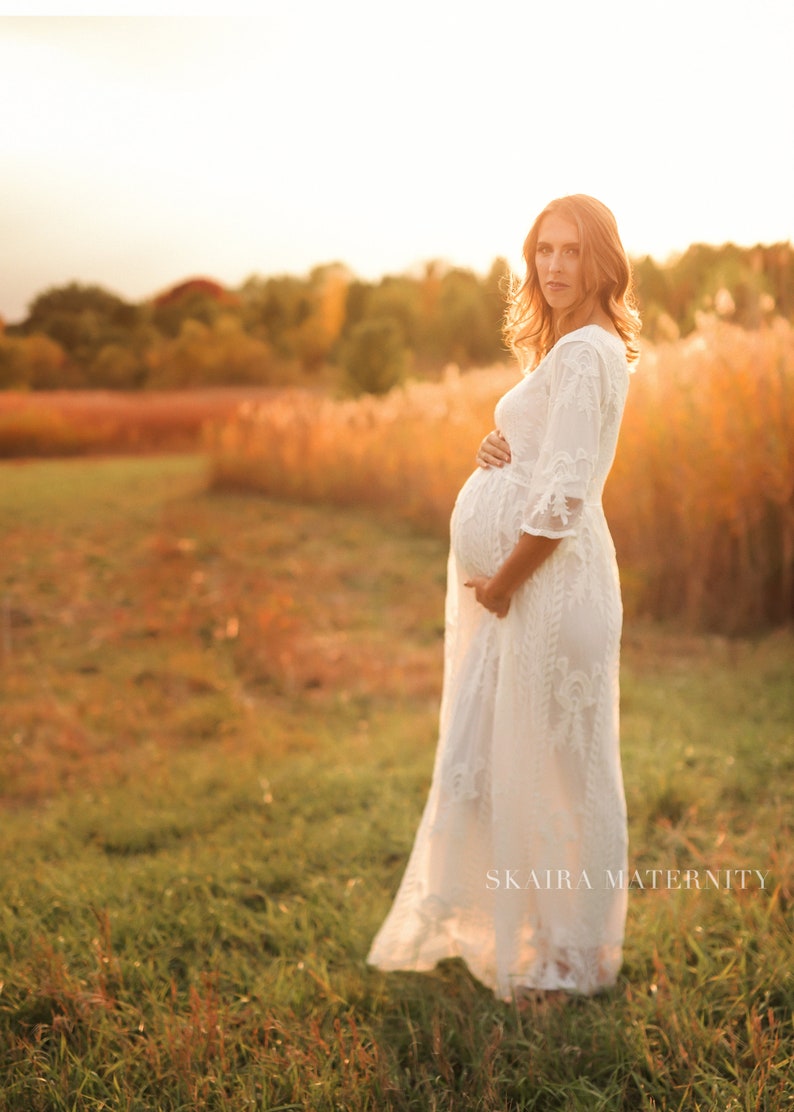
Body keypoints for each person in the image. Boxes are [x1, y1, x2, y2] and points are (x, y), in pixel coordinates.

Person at [367, 194, 641, 1002]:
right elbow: (548, 461)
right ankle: (546, 943)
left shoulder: (589, 353)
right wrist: (499, 446)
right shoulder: (575, 351)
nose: (554, 267)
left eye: (571, 251)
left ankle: (569, 961)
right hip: (537, 591)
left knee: (553, 772)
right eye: (543, 252)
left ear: (602, 261)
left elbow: (561, 503)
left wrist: (500, 584)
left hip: (544, 592)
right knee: (530, 766)